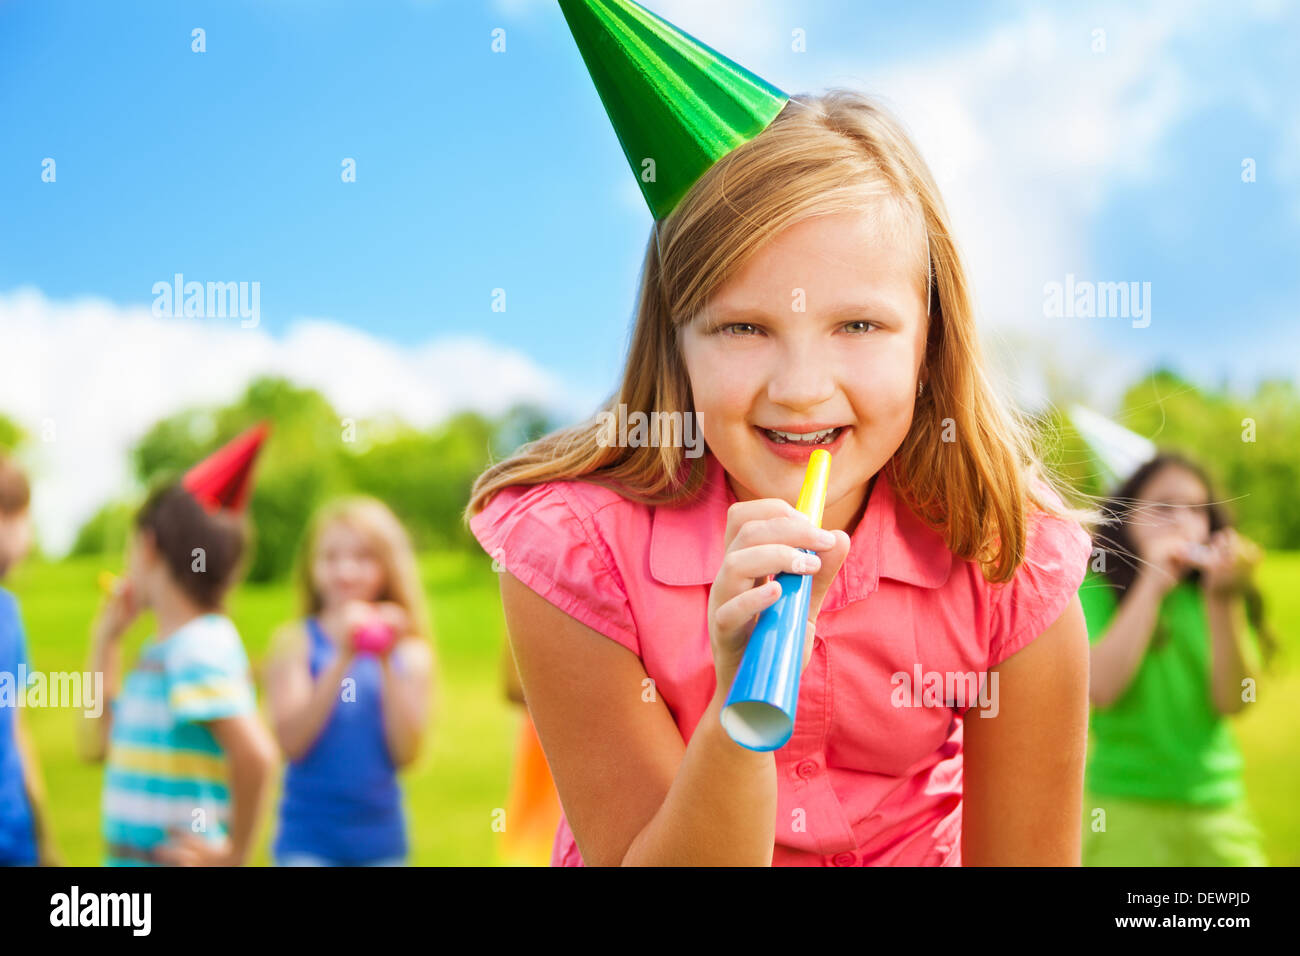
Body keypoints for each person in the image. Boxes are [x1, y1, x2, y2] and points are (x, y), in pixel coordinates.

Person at [465, 1, 1093, 867]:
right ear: (674, 341)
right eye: (742, 329)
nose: (801, 392)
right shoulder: (573, 551)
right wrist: (739, 705)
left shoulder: (1008, 560)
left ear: (930, 338)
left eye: (860, 327)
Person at [79, 424, 277, 866]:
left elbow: (258, 756)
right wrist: (105, 642)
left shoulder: (195, 649)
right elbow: (100, 741)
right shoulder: (163, 651)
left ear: (148, 548)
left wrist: (232, 855)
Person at [1081, 453, 1274, 866]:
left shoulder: (1210, 597)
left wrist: (1223, 602)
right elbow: (1100, 688)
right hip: (1123, 805)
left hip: (1216, 806)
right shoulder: (1096, 590)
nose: (1181, 520)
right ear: (1126, 517)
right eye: (1163, 506)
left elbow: (1234, 700)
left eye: (1195, 510)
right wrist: (1151, 584)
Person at [265, 497, 434, 866]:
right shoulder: (294, 642)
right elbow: (291, 742)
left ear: (388, 566)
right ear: (311, 566)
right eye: (330, 557)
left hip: (381, 844)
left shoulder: (410, 654)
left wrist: (388, 662)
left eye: (363, 557)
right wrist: (342, 654)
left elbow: (406, 753)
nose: (345, 571)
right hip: (306, 842)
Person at [0, 453, 58, 866]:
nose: (30, 539)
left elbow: (17, 731)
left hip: (16, 838)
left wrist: (44, 837)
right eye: (24, 519)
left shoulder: (9, 613)